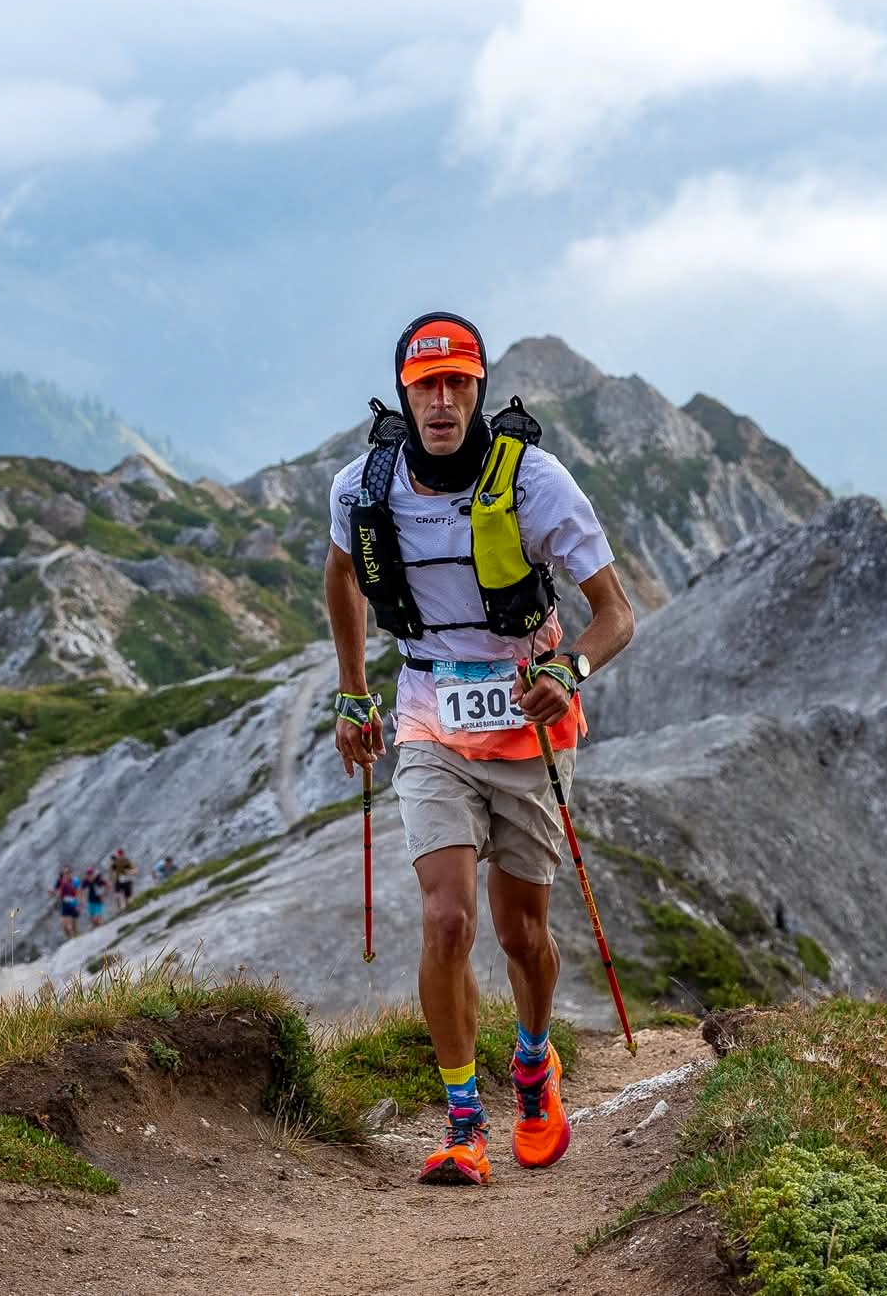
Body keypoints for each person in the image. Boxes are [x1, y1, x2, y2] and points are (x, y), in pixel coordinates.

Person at [325, 312, 634, 1187]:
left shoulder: (535, 481)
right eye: (426, 384)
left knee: (521, 931)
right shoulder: (361, 487)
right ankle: (464, 1120)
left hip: (528, 717)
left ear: (479, 389)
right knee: (448, 918)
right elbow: (342, 574)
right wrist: (353, 689)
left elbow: (616, 613)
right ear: (403, 393)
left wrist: (569, 669)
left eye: (458, 382)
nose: (442, 400)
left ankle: (534, 1065)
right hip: (428, 715)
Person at [52, 866, 81, 940]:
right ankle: (71, 939)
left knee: (73, 925)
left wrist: (79, 904)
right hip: (65, 904)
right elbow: (56, 892)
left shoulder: (75, 881)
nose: (66, 874)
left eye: (68, 872)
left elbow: (78, 892)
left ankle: (77, 938)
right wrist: (53, 893)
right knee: (64, 926)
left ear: (71, 873)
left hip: (73, 904)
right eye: (64, 873)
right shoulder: (60, 881)